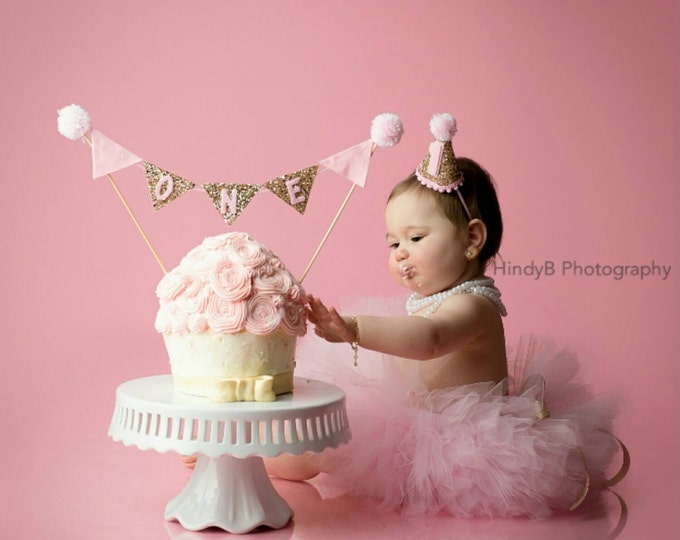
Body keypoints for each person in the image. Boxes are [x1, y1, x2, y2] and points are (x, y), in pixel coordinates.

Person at [267, 114, 625, 518]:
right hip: (419, 414)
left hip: (465, 441)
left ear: (472, 239)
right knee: (332, 426)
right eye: (392, 242)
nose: (400, 252)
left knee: (332, 445)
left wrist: (354, 329)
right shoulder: (437, 299)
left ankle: (250, 462)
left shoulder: (474, 306)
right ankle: (252, 456)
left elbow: (429, 339)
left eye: (415, 238)